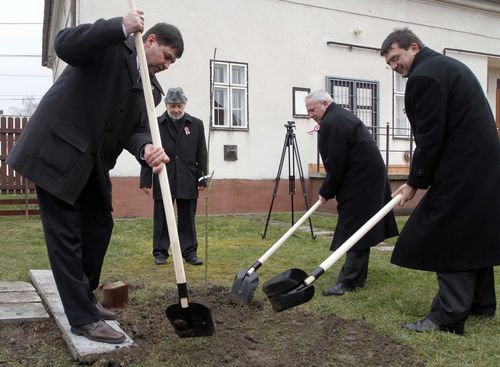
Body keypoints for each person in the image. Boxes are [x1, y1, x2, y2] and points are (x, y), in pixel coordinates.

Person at [6, 9, 184, 344]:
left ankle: (83, 296)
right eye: (167, 56)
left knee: (99, 224)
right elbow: (65, 45)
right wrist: (118, 26)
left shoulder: (152, 90)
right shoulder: (112, 44)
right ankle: (83, 319)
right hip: (57, 151)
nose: (167, 64)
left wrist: (146, 148)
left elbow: (136, 130)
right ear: (150, 40)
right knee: (66, 236)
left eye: (173, 62)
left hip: (92, 164)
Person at [380, 28, 500, 335]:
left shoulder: (425, 76)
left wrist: (415, 181)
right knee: (473, 231)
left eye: (397, 58)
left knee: (448, 234)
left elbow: (430, 137)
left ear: (414, 48)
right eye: (390, 64)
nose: (395, 67)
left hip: (462, 166)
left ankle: (448, 315)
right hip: (481, 164)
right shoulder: (445, 67)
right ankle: (480, 303)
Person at [305, 90, 399, 296]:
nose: (310, 114)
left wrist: (327, 190)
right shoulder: (340, 116)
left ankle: (349, 281)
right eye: (308, 111)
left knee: (355, 227)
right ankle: (356, 276)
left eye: (312, 109)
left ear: (324, 104)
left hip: (362, 180)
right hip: (366, 177)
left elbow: (335, 161)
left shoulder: (332, 122)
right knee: (359, 226)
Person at [140, 87, 208, 266]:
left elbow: (202, 153)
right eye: (172, 106)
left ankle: (189, 252)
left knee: (187, 217)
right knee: (162, 217)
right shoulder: (155, 124)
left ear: (185, 104)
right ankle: (161, 252)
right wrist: (146, 180)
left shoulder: (196, 125)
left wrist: (202, 178)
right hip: (164, 176)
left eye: (179, 106)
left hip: (188, 177)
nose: (176, 110)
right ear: (166, 104)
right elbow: (149, 153)